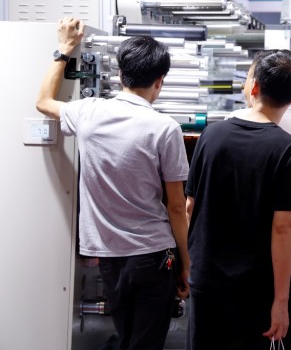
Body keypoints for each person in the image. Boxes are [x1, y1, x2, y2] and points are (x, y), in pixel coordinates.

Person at [36, 18, 190, 350]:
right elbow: (177, 206)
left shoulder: (87, 113)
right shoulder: (165, 128)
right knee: (146, 342)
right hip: (153, 253)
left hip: (108, 256)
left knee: (127, 336)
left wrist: (64, 50)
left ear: (120, 75)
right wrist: (185, 262)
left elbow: (44, 102)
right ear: (160, 82)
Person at [185, 49, 291, 350]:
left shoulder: (211, 136)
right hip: (255, 287)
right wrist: (281, 301)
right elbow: (284, 229)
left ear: (253, 86)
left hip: (207, 279)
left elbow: (190, 206)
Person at [228, 52, 291, 350]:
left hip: (241, 257)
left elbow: (193, 205)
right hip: (280, 259)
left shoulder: (228, 128)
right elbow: (285, 222)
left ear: (256, 83)